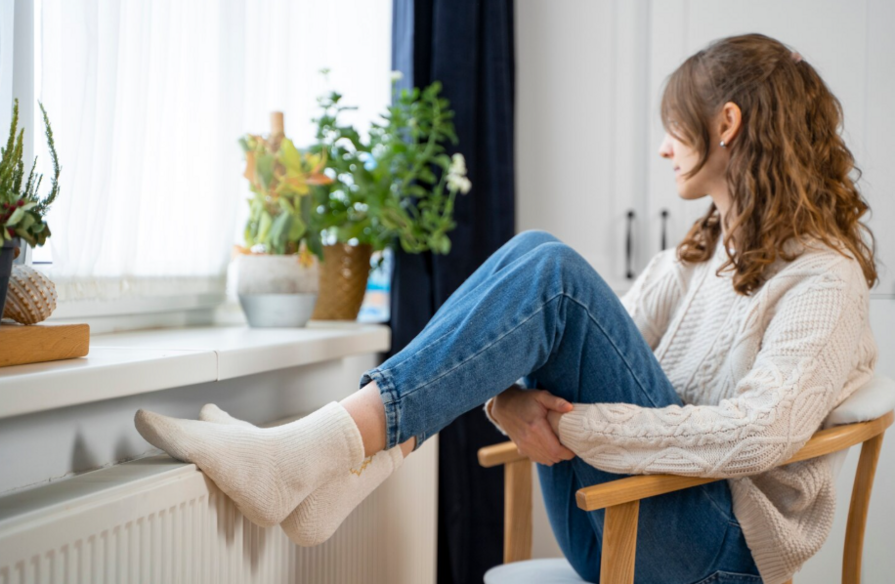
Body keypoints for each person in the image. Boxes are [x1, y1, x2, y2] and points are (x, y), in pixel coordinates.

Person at [135, 33, 879, 584]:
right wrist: (510, 405)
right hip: (621, 511)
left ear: (724, 125)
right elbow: (560, 342)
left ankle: (324, 455)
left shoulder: (824, 280)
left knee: (550, 269)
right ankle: (335, 463)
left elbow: (757, 434)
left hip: (714, 553)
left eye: (673, 126)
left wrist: (576, 426)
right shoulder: (692, 257)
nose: (661, 148)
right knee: (539, 258)